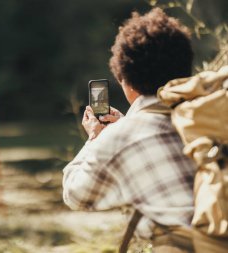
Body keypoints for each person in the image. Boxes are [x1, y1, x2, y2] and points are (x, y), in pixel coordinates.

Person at [62, 8, 198, 252]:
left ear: (126, 80)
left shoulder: (122, 136)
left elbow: (75, 195)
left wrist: (95, 138)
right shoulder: (208, 112)